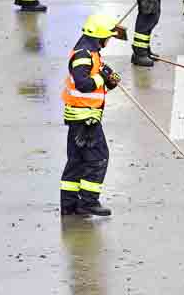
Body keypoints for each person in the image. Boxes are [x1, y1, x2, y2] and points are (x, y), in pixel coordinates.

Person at [60, 13, 120, 217]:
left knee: (76, 161)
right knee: (98, 158)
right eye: (108, 37)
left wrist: (109, 79)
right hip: (85, 118)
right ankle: (88, 202)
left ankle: (69, 205)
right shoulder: (83, 55)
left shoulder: (90, 52)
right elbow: (84, 84)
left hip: (80, 116)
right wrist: (102, 78)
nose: (109, 40)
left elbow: (96, 80)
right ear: (99, 36)